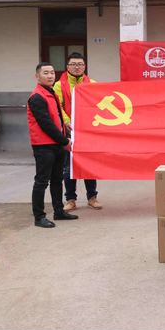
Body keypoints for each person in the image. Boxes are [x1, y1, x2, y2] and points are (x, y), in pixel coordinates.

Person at [27, 63, 78, 228]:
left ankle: (58, 211)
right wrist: (65, 140)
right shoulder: (37, 97)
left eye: (52, 73)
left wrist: (65, 127)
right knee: (42, 181)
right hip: (44, 145)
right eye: (45, 73)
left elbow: (57, 118)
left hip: (56, 144)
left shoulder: (51, 93)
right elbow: (46, 124)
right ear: (37, 76)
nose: (50, 76)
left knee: (57, 179)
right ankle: (39, 217)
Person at [53, 52, 101, 212]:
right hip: (69, 131)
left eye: (80, 64)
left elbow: (97, 105)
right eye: (73, 64)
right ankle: (70, 199)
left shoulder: (92, 83)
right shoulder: (59, 85)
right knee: (68, 166)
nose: (77, 67)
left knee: (89, 164)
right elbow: (58, 106)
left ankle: (92, 197)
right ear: (67, 67)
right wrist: (67, 121)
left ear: (85, 66)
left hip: (87, 131)